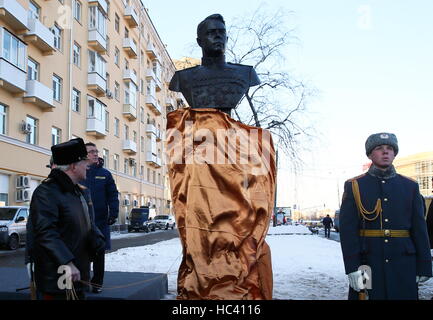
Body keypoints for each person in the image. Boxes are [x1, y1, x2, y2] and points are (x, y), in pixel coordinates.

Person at [339, 132, 432, 300]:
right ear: (369, 154)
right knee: (366, 296)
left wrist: (424, 265)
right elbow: (348, 231)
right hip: (366, 264)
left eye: (390, 148)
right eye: (379, 148)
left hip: (404, 263)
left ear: (394, 153)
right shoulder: (355, 185)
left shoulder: (410, 186)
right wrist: (352, 266)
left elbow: (420, 229)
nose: (385, 152)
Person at [28, 138, 105, 300]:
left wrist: (97, 239)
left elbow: (88, 223)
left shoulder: (80, 191)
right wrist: (67, 262)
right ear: (73, 166)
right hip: (59, 276)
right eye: (84, 162)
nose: (88, 165)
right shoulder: (46, 192)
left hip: (79, 273)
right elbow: (46, 233)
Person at [169, 14, 260, 117]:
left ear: (227, 39)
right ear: (199, 42)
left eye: (222, 32)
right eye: (211, 32)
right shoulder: (182, 78)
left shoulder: (246, 73)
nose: (218, 36)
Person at [80, 142, 119, 293]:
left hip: (100, 221)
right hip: (81, 221)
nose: (96, 154)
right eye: (91, 152)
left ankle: (97, 284)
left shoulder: (105, 174)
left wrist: (114, 213)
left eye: (96, 151)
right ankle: (82, 282)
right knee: (81, 252)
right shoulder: (78, 171)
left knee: (98, 253)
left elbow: (113, 195)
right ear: (84, 155)